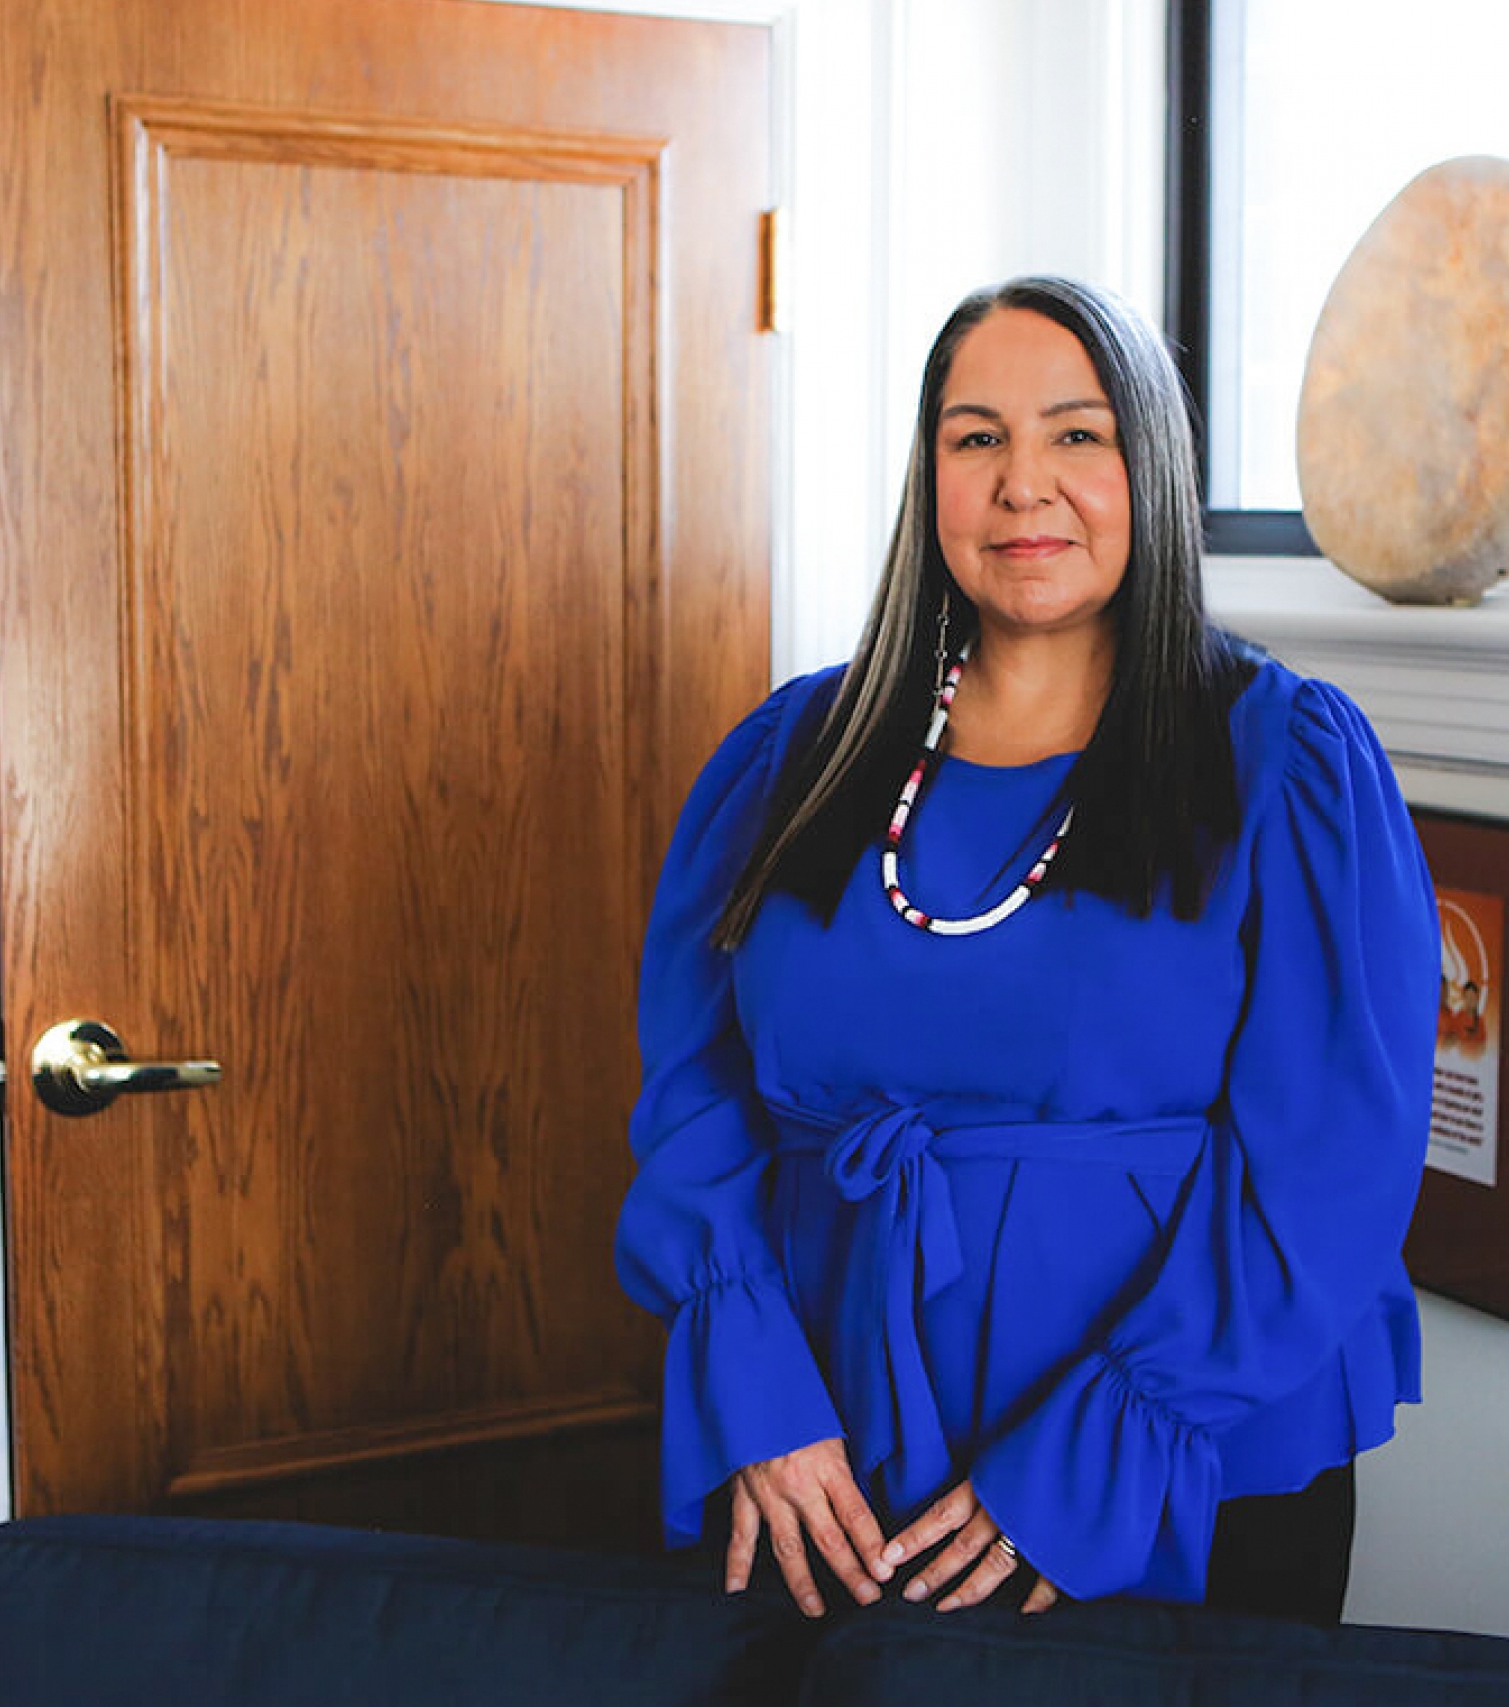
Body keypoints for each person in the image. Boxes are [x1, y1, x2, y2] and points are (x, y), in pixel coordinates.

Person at [614, 276, 1440, 1628]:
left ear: (1150, 470)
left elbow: (1330, 1163)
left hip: (1183, 1443)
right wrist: (754, 1379)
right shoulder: (792, 759)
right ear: (930, 474)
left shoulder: (1284, 760)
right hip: (821, 1450)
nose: (1022, 485)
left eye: (1077, 435)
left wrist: (1099, 1455)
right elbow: (694, 1085)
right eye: (975, 436)